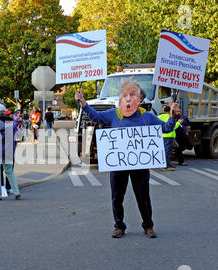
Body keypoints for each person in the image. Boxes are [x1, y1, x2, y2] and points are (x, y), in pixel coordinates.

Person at [75, 80, 177, 239]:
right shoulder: (113, 114)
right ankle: (119, 226)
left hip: (140, 166)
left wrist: (172, 116)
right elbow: (95, 116)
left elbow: (166, 128)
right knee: (117, 197)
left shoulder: (147, 117)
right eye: (125, 95)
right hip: (118, 165)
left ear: (140, 100)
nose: (128, 99)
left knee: (143, 196)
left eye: (132, 95)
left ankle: (148, 226)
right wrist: (83, 103)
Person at [158, 104, 182, 171]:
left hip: (160, 136)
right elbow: (173, 127)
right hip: (169, 136)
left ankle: (161, 164)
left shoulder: (158, 117)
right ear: (170, 111)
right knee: (167, 152)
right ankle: (165, 166)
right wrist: (179, 123)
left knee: (162, 151)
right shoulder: (171, 117)